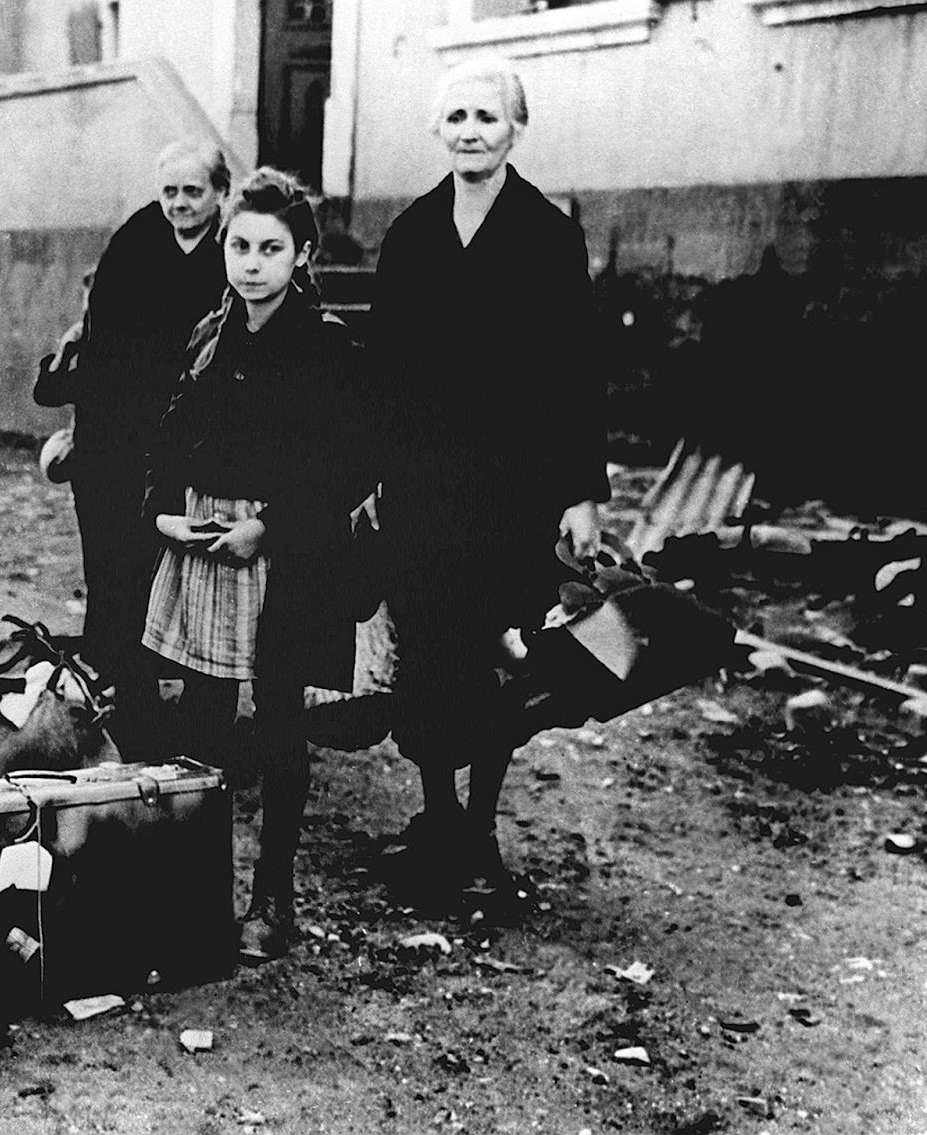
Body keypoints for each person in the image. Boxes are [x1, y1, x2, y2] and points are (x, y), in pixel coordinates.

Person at [367, 56, 608, 899]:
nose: (472, 131)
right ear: (439, 129)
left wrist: (582, 492)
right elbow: (385, 370)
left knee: (500, 651)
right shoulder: (412, 234)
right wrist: (371, 474)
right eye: (458, 117)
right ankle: (438, 819)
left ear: (515, 129)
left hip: (513, 489)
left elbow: (578, 370)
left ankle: (480, 830)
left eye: (489, 118)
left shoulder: (547, 233)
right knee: (429, 649)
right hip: (423, 488)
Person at [142, 167, 375, 960]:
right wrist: (165, 508)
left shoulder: (327, 346)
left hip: (286, 551)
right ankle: (195, 891)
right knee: (203, 724)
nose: (250, 263)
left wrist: (269, 527)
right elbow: (169, 434)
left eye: (270, 249)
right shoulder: (209, 337)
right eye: (239, 245)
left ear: (301, 254)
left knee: (278, 725)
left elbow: (348, 465)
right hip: (208, 537)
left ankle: (272, 899)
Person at [34, 137, 230, 760]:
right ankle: (127, 721)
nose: (178, 204)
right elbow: (102, 337)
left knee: (187, 584)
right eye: (169, 191)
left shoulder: (235, 250)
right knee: (114, 581)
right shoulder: (135, 240)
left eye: (193, 192)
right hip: (115, 443)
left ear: (220, 194)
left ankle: (200, 737)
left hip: (190, 445)